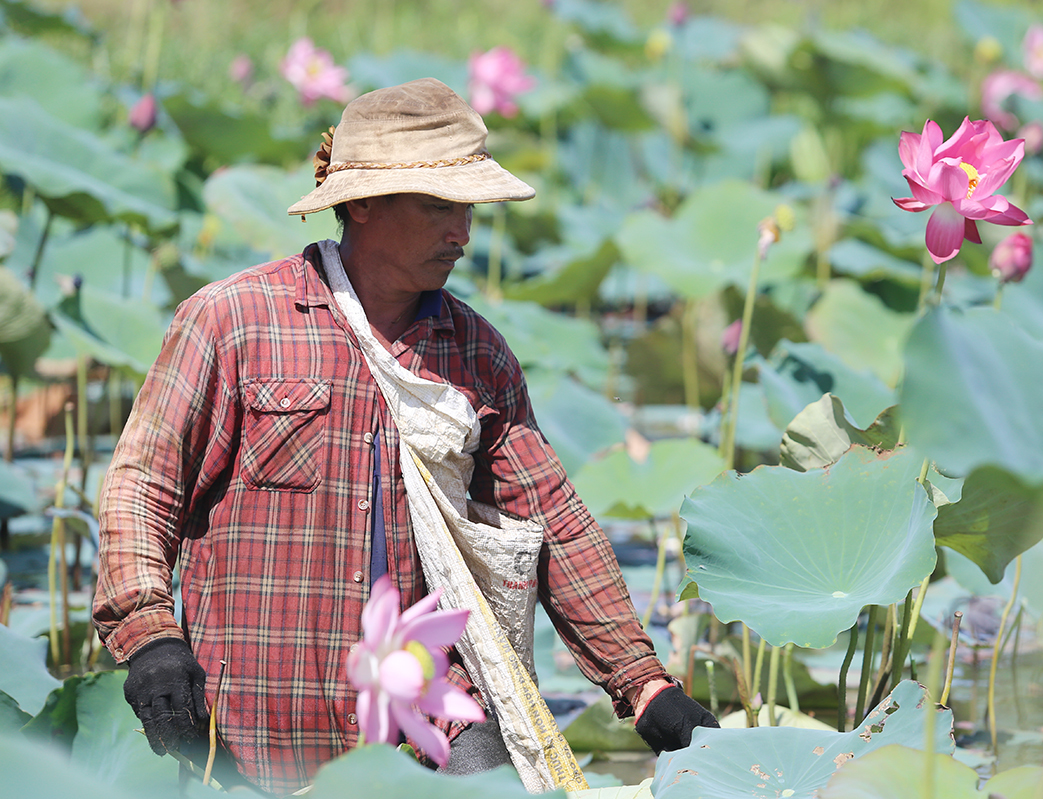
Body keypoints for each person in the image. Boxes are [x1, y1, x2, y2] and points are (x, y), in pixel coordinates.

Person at [93, 78, 717, 795]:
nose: (463, 232)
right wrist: (150, 633)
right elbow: (143, 486)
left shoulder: (476, 355)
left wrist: (643, 686)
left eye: (468, 208)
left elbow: (555, 526)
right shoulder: (234, 322)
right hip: (256, 716)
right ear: (361, 203)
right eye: (437, 207)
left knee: (492, 772)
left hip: (425, 708)